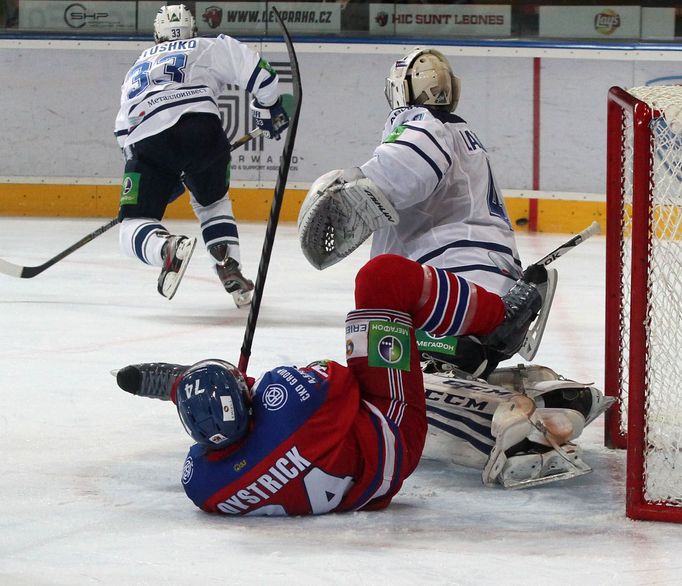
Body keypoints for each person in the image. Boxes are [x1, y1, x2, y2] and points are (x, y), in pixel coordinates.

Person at [114, 252, 601, 516]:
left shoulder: (203, 487)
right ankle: (499, 320)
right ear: (250, 396)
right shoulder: (289, 401)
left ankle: (183, 383)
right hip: (390, 428)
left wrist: (195, 390)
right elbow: (342, 380)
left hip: (358, 475)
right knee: (383, 280)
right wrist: (249, 388)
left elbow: (222, 438)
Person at [298, 47, 551, 377]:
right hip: (486, 279)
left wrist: (350, 187)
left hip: (458, 284)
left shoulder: (424, 126)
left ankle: (451, 353)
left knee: (377, 302)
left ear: (400, 90)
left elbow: (400, 173)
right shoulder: (459, 132)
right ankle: (475, 364)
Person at [114, 5, 289, 306]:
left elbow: (123, 133)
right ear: (192, 30)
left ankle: (164, 248)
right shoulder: (208, 45)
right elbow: (264, 76)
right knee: (213, 204)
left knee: (133, 223)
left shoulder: (135, 69)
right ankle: (228, 266)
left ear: (157, 37)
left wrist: (160, 179)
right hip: (203, 130)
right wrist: (267, 111)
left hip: (146, 138)